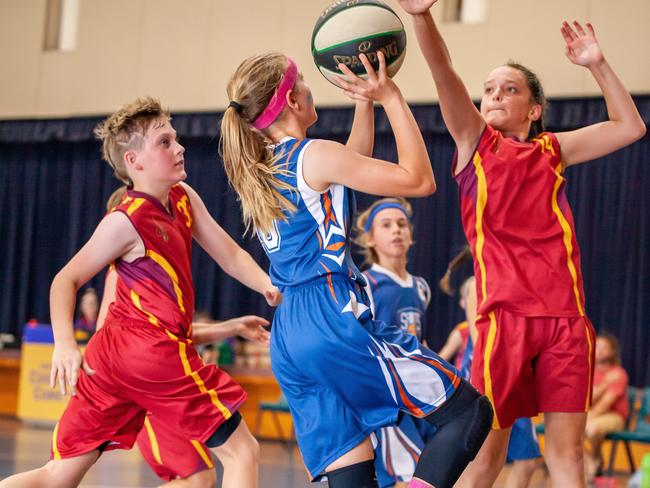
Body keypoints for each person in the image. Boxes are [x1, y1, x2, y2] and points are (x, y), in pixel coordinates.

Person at [398, 1, 646, 486]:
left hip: (565, 322)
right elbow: (442, 69)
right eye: (488, 89)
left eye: (508, 89)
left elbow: (630, 127)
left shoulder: (554, 150)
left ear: (533, 110)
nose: (493, 95)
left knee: (567, 458)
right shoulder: (475, 143)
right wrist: (422, 17)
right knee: (486, 456)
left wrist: (597, 63)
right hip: (505, 321)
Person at [219, 50, 493, 488]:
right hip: (330, 316)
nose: (311, 86)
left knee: (352, 472)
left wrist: (363, 102)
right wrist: (392, 97)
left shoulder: (267, 167)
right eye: (304, 80)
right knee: (469, 412)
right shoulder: (313, 155)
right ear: (291, 99)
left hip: (291, 332)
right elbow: (420, 180)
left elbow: (349, 168)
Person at [0, 97, 281, 488]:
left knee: (57, 476)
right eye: (164, 142)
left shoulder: (183, 198)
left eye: (175, 138)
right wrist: (64, 344)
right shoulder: (125, 220)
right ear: (134, 161)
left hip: (110, 360)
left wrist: (266, 284)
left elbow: (230, 253)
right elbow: (65, 279)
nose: (179, 147)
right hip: (151, 354)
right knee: (242, 452)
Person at [355, 197, 436, 487]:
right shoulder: (365, 285)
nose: (396, 230)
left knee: (436, 468)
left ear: (412, 235)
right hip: (388, 397)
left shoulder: (421, 287)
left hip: (420, 394)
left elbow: (420, 340)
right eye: (386, 225)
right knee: (405, 476)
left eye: (402, 224)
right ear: (371, 239)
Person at [584, 333, 630, 483]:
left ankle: (594, 461)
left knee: (592, 428)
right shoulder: (588, 370)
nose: (599, 350)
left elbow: (606, 404)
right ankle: (593, 461)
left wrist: (587, 418)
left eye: (604, 348)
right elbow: (588, 397)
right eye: (597, 346)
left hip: (614, 416)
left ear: (612, 352)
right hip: (591, 414)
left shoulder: (618, 373)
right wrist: (605, 383)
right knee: (567, 431)